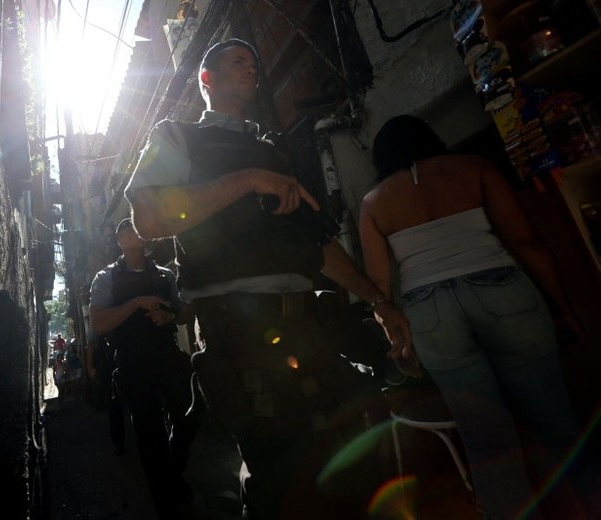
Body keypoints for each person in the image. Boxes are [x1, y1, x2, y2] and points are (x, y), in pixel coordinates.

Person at [125, 38, 413, 519]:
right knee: (283, 485)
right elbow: (151, 221)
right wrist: (248, 181)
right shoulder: (176, 136)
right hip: (239, 339)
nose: (251, 68)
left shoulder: (273, 154)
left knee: (352, 467)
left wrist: (379, 302)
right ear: (206, 80)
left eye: (254, 63)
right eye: (237, 61)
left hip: (310, 331)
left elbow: (317, 248)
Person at [358, 114, 600, 519]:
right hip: (502, 291)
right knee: (555, 425)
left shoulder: (373, 202)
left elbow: (379, 288)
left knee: (487, 443)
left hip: (430, 311)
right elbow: (526, 242)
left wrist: (398, 340)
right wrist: (562, 308)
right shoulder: (474, 168)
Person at [89, 217, 202, 519]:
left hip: (167, 356)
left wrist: (169, 315)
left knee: (189, 415)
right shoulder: (106, 278)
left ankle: (173, 473)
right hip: (132, 363)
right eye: (124, 230)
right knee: (149, 435)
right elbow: (99, 323)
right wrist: (137, 302)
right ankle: (165, 502)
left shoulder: (165, 276)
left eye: (135, 228)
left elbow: (184, 313)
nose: (131, 232)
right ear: (119, 242)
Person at [85, 327, 126, 454]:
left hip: (124, 362)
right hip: (108, 368)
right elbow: (91, 345)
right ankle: (119, 443)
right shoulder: (98, 322)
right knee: (114, 405)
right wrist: (90, 368)